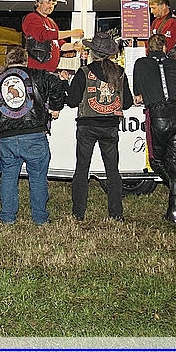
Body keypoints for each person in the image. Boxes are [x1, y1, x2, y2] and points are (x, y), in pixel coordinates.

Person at [0, 46, 67, 225]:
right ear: (26, 60)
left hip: (7, 136)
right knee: (38, 177)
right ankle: (40, 218)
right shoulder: (39, 75)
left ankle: (7, 216)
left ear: (7, 60)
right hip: (34, 133)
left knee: (8, 177)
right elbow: (57, 84)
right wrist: (55, 107)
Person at [132, 33, 176, 223]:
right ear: (164, 48)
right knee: (174, 162)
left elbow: (137, 93)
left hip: (158, 115)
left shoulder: (141, 63)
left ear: (148, 49)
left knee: (157, 161)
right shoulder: (173, 64)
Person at [66, 31, 133, 221]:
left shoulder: (83, 73)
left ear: (91, 52)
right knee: (112, 171)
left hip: (87, 125)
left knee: (82, 169)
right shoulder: (119, 72)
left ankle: (78, 212)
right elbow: (126, 103)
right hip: (110, 126)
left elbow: (72, 101)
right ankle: (116, 213)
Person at [22, 0, 84, 76]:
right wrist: (71, 33)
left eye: (53, 4)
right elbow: (43, 35)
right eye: (48, 2)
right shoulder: (32, 17)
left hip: (50, 71)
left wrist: (73, 46)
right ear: (39, 3)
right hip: (36, 71)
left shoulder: (51, 22)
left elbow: (59, 44)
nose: (51, 6)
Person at [148, 0, 176, 69]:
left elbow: (165, 46)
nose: (151, 11)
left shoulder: (172, 22)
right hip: (164, 64)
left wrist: (143, 48)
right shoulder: (156, 21)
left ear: (163, 6)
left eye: (154, 8)